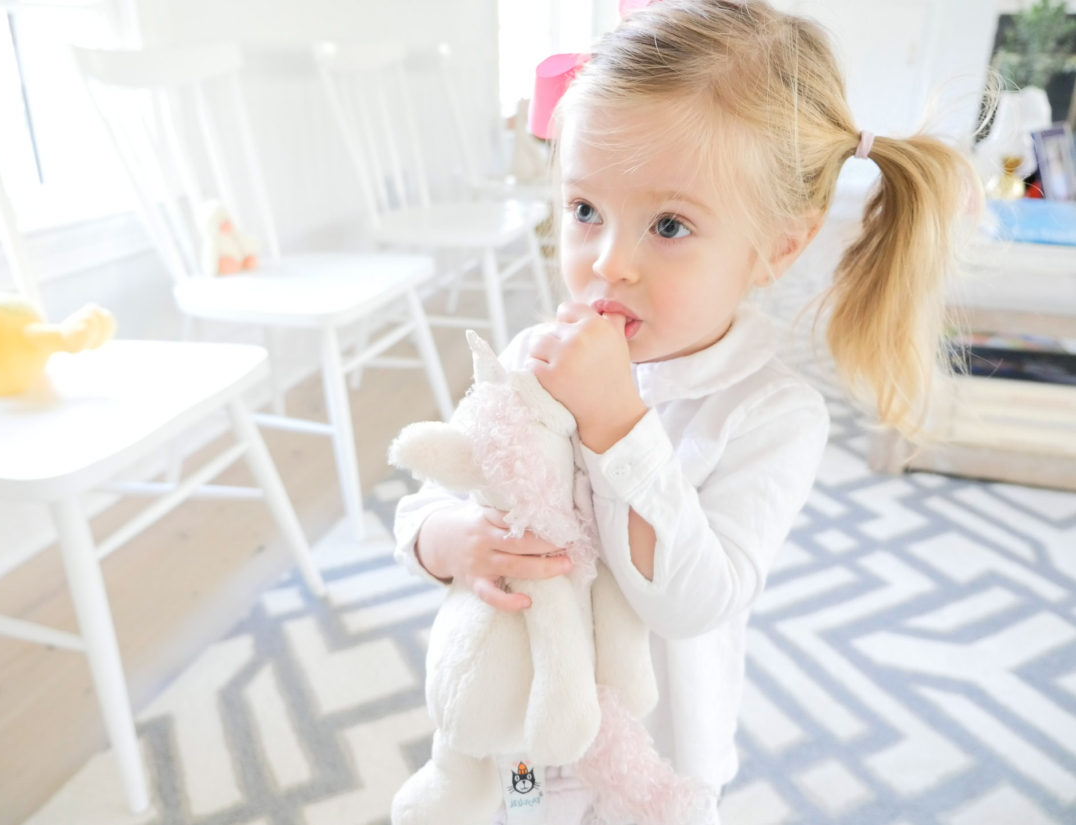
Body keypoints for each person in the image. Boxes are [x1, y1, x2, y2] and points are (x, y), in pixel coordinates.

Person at [393, 1, 980, 822]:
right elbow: (450, 479)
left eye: (668, 225)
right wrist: (440, 541)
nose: (608, 262)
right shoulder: (537, 350)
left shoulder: (772, 413)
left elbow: (696, 599)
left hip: (655, 758)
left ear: (779, 245)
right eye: (584, 210)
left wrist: (615, 425)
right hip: (523, 730)